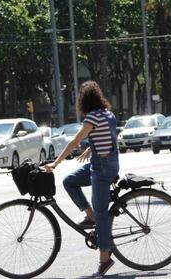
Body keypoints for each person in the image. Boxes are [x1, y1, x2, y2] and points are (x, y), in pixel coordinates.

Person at [44, 81, 119, 276]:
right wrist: (90, 149)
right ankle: (89, 214)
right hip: (101, 164)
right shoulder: (108, 114)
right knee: (70, 181)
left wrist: (56, 163)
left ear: (83, 101)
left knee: (102, 214)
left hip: (102, 170)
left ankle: (105, 258)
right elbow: (109, 137)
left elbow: (74, 140)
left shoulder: (92, 117)